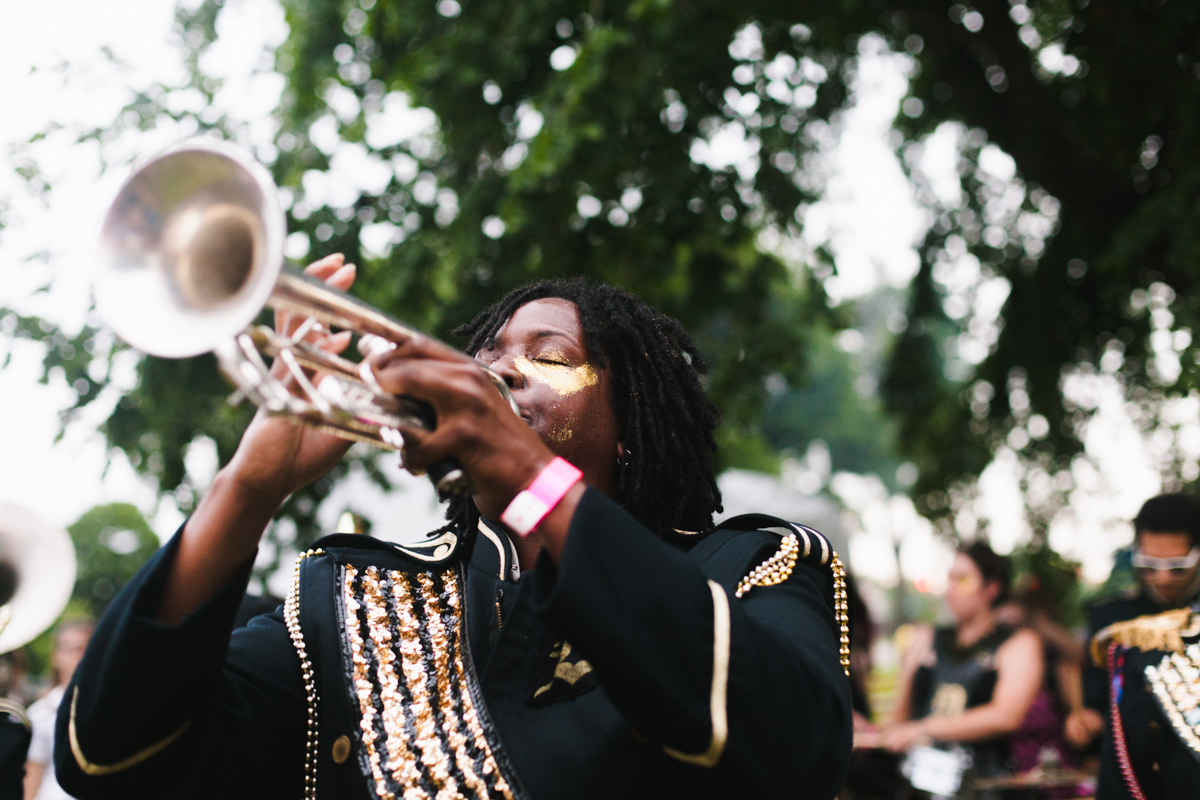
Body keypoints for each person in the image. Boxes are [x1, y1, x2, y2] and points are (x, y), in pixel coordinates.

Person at [55, 257, 853, 800]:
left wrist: (533, 486)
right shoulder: (350, 597)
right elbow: (111, 755)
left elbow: (795, 747)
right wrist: (247, 488)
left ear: (629, 422)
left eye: (549, 355)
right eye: (490, 353)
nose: (502, 367)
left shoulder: (750, 564)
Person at [880, 542, 1044, 778]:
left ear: (992, 588)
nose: (951, 589)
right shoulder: (927, 638)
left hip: (983, 780)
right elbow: (897, 721)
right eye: (950, 579)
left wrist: (923, 729)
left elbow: (1006, 717)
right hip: (915, 777)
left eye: (963, 580)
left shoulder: (1018, 643)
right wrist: (908, 671)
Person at [1069, 493, 1200, 752]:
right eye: (1149, 566)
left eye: (1177, 567)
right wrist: (1086, 722)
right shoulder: (1111, 620)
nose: (1162, 579)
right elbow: (1098, 700)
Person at [24, 621, 92, 800]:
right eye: (74, 648)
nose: (81, 655)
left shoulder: (108, 708)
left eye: (86, 648)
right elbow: (31, 776)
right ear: (57, 656)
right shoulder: (40, 713)